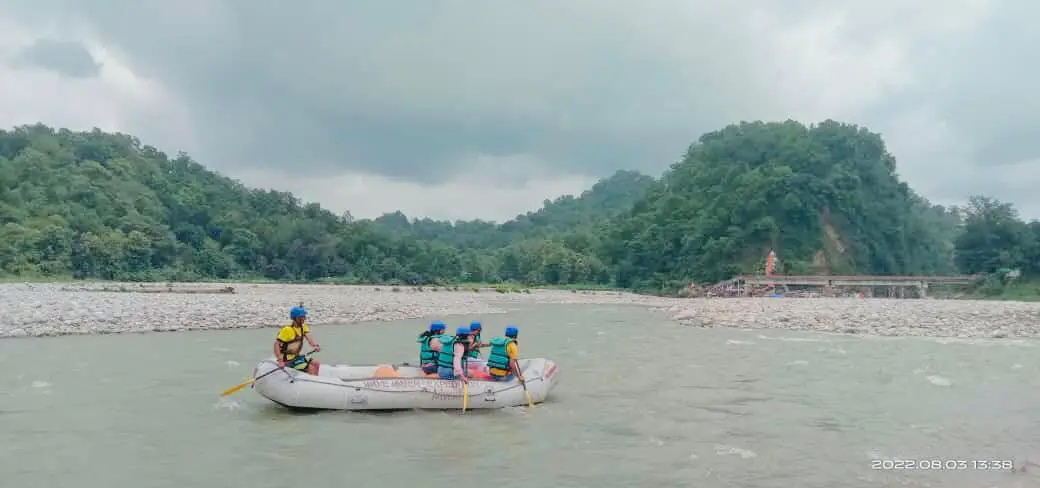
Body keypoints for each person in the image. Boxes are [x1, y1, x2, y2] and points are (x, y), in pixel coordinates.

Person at [274, 305, 321, 375]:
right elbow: (276, 344)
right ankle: (310, 381)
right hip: (287, 360)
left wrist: (315, 345)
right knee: (310, 367)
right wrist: (280, 361)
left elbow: (309, 337)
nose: (304, 318)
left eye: (304, 316)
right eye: (301, 317)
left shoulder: (303, 327)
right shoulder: (287, 330)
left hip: (297, 357)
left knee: (316, 363)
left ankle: (315, 380)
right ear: (295, 318)